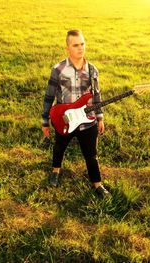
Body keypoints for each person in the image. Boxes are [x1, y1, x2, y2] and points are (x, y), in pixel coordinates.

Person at [41, 29, 111, 198]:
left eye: (82, 44)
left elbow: (97, 95)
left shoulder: (93, 70)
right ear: (67, 48)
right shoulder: (58, 69)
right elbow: (49, 95)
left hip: (87, 120)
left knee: (91, 155)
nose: (80, 48)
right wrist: (45, 120)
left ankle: (97, 184)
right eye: (76, 45)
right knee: (59, 147)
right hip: (65, 119)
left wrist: (100, 117)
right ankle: (55, 171)